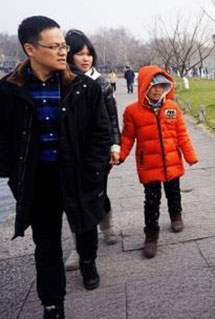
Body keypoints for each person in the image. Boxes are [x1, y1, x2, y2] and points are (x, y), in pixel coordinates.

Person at [0, 16, 111, 318]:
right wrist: (14, 176)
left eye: (64, 46)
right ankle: (52, 303)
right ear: (30, 49)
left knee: (85, 227)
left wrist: (93, 172)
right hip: (38, 181)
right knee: (45, 245)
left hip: (77, 175)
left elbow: (101, 133)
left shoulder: (84, 87)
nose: (64, 52)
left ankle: (88, 261)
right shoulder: (9, 91)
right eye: (55, 46)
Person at [119, 65, 198, 259]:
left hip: (171, 161)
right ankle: (152, 234)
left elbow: (181, 134)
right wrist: (120, 155)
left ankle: (176, 215)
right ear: (144, 86)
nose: (157, 90)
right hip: (149, 164)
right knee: (152, 200)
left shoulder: (172, 108)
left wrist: (190, 156)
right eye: (153, 86)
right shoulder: (132, 111)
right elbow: (127, 137)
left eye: (162, 86)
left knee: (174, 192)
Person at [63, 29, 121, 272]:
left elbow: (112, 119)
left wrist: (114, 146)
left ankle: (106, 227)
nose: (86, 59)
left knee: (98, 193)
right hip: (69, 154)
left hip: (98, 153)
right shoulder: (61, 82)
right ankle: (80, 248)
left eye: (89, 54)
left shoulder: (102, 83)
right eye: (79, 54)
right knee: (74, 202)